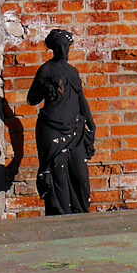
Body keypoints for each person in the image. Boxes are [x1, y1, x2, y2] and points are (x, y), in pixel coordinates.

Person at [28, 29, 96, 214]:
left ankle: (80, 217)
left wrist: (91, 123)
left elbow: (80, 99)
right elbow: (31, 99)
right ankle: (60, 218)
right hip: (52, 130)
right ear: (53, 48)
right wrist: (46, 88)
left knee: (81, 178)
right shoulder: (46, 70)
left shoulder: (72, 71)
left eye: (66, 46)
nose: (63, 50)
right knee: (58, 181)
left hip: (75, 129)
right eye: (59, 46)